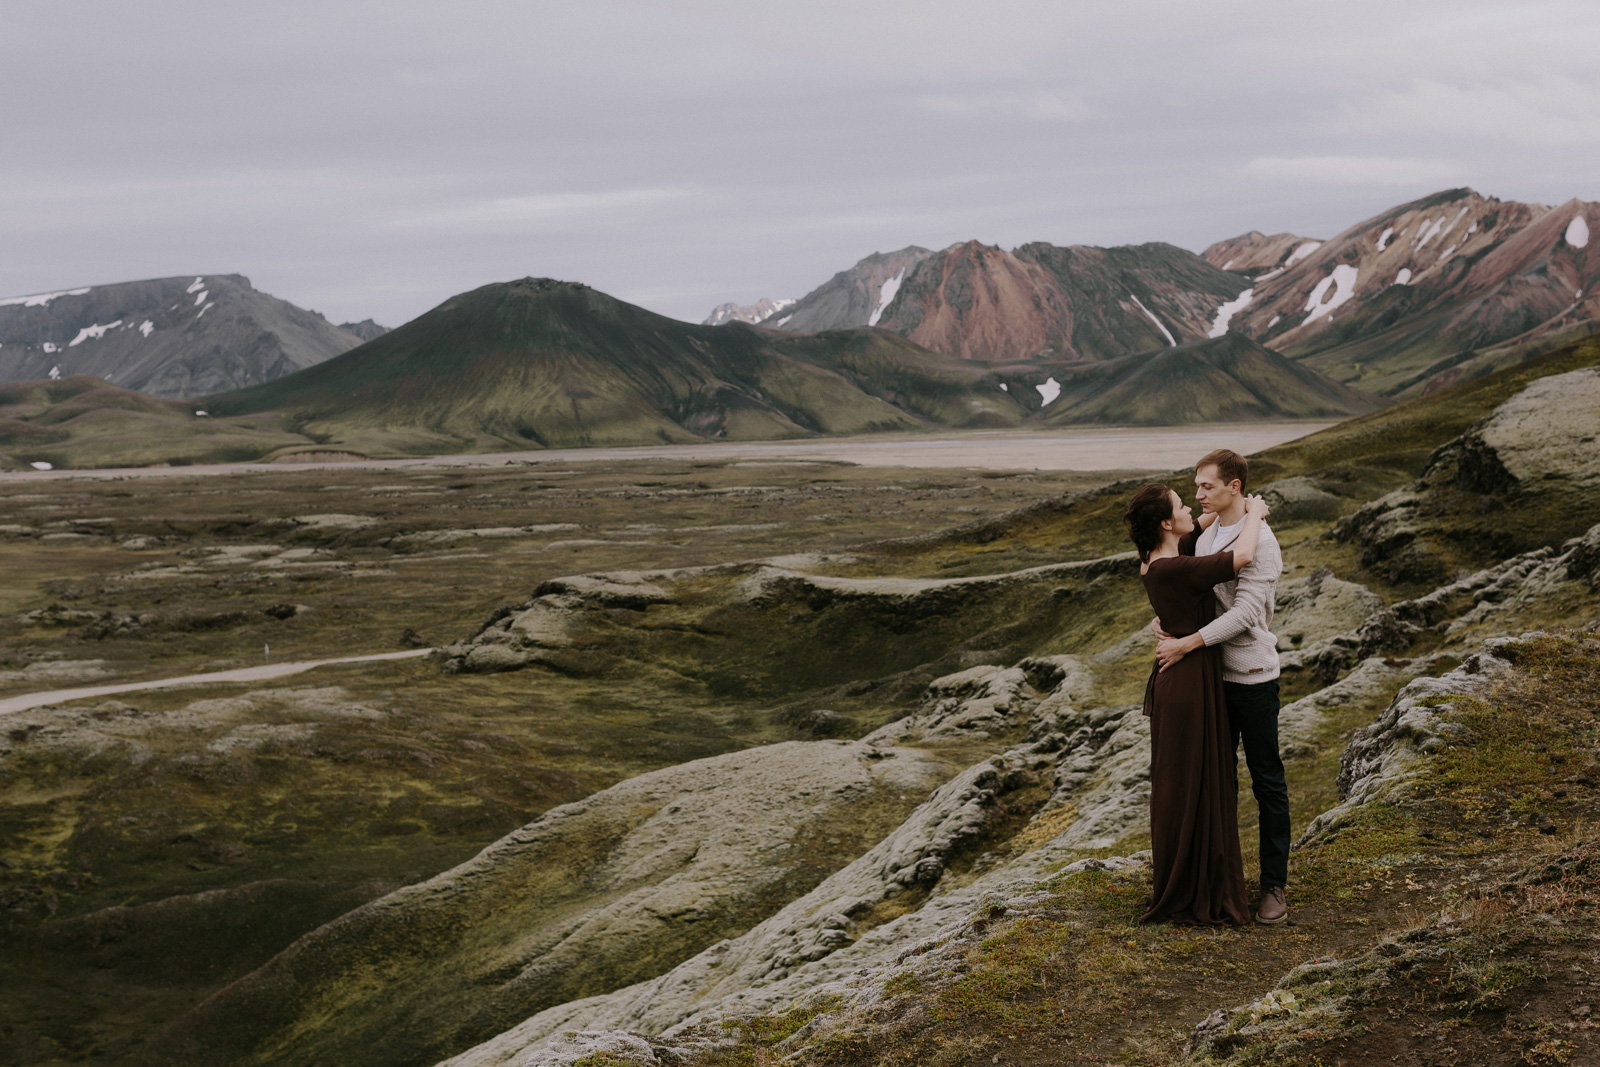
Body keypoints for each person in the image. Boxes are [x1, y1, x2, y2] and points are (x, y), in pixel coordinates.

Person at [1152, 450, 1289, 926]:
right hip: (1211, 680)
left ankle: (1274, 886)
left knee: (1267, 781)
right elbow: (1185, 584)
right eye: (1195, 486)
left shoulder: (1262, 541)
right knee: (1218, 783)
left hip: (1251, 677)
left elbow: (1247, 613)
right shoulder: (1207, 533)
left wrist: (1188, 642)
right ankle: (1223, 878)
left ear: (1235, 487)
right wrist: (1166, 618)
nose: (1198, 495)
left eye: (1207, 486)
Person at [1124, 482, 1269, 926]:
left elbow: (1202, 524)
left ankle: (1188, 876)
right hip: (1189, 684)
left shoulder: (1159, 555)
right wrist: (1256, 513)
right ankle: (1192, 887)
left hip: (1183, 679)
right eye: (1180, 504)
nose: (1193, 506)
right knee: (1192, 782)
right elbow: (1241, 557)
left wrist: (1228, 506)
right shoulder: (1175, 566)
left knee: (1185, 781)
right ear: (1166, 522)